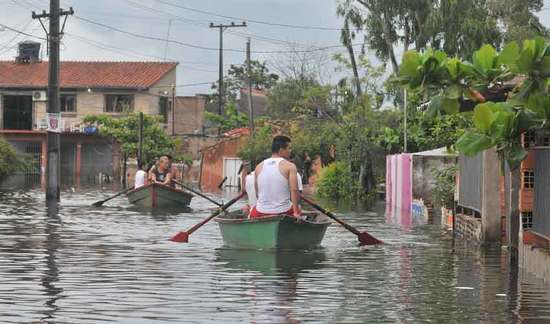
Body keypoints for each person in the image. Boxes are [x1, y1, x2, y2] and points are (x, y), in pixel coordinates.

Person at [250, 135, 301, 219]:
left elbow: (257, 194)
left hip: (260, 211)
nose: (291, 151)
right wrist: (296, 212)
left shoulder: (258, 167)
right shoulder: (290, 166)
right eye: (289, 148)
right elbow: (294, 190)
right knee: (298, 208)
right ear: (281, 150)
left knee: (253, 211)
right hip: (283, 211)